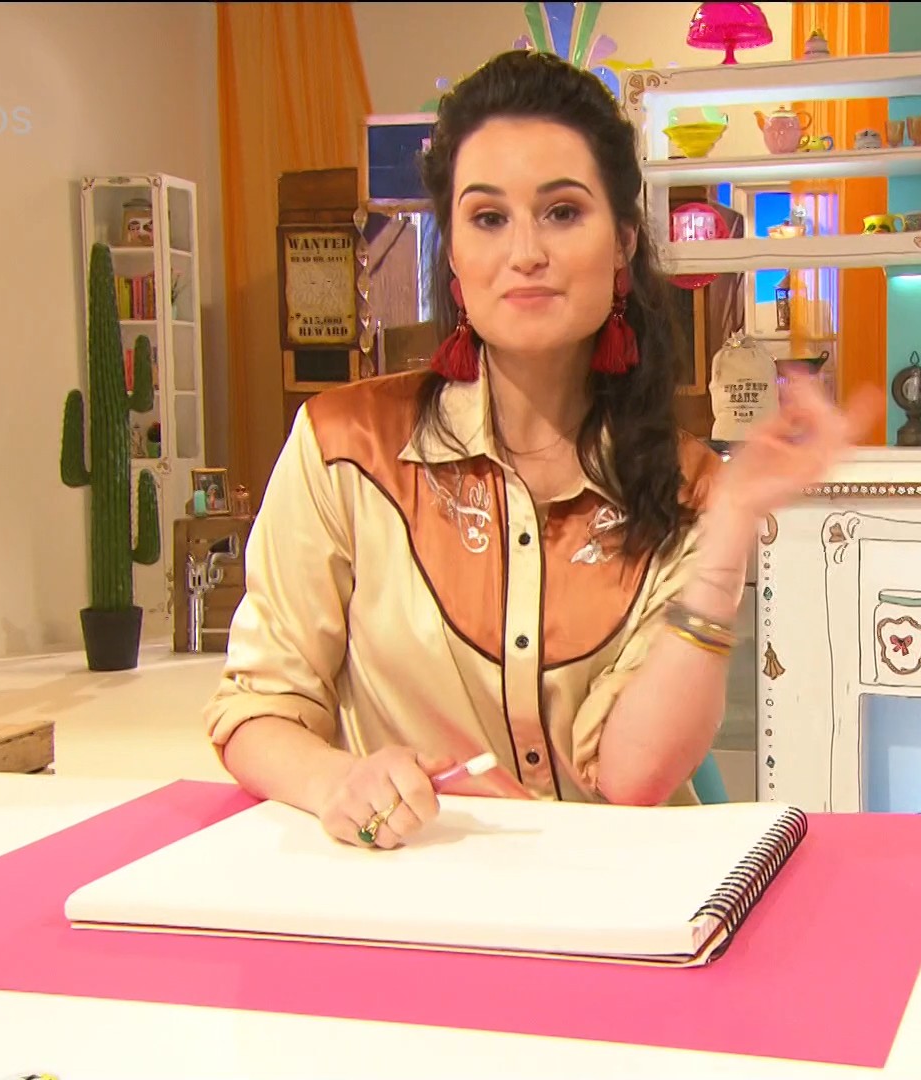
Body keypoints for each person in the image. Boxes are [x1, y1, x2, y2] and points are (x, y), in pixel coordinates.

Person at [205, 49, 880, 851]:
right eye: (488, 218)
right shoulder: (344, 448)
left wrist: (729, 532)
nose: (525, 251)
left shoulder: (687, 484)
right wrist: (337, 781)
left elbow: (633, 777)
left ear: (622, 240)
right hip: (416, 890)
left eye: (561, 212)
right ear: (454, 257)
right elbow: (257, 709)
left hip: (623, 898)